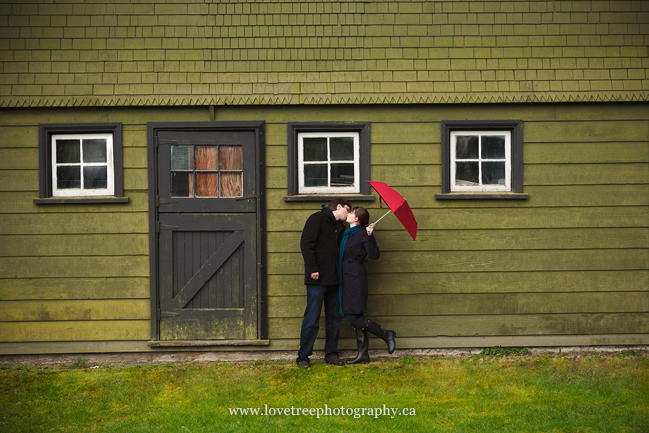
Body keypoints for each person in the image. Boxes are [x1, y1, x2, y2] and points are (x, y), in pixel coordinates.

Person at [296, 198, 352, 368]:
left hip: (335, 280)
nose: (348, 214)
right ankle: (303, 357)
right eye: (347, 210)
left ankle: (331, 354)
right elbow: (306, 244)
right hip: (317, 279)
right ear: (339, 206)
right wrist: (313, 268)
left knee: (334, 318)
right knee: (312, 318)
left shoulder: (341, 228)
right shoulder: (317, 218)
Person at [339, 206, 396, 364]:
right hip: (346, 277)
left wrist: (370, 236)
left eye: (351, 213)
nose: (348, 214)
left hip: (355, 278)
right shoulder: (347, 233)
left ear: (356, 218)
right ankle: (363, 355)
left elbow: (374, 255)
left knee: (351, 317)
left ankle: (386, 334)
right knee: (357, 316)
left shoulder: (363, 233)